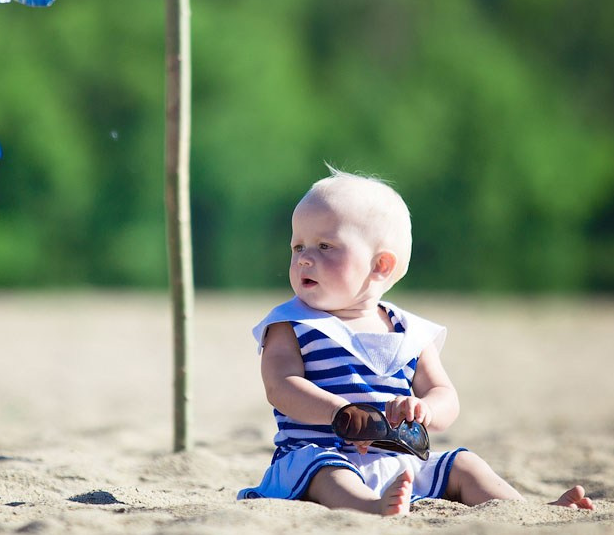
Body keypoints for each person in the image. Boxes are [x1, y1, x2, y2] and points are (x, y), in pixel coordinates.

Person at [238, 168, 594, 516]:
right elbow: (281, 386)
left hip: (399, 460)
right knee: (327, 471)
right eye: (297, 246)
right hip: (316, 455)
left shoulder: (410, 332)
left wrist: (425, 409)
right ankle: (370, 507)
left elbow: (444, 394)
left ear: (380, 265)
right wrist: (339, 412)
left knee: (464, 464)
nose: (304, 257)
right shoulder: (291, 323)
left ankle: (525, 509)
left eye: (325, 246)